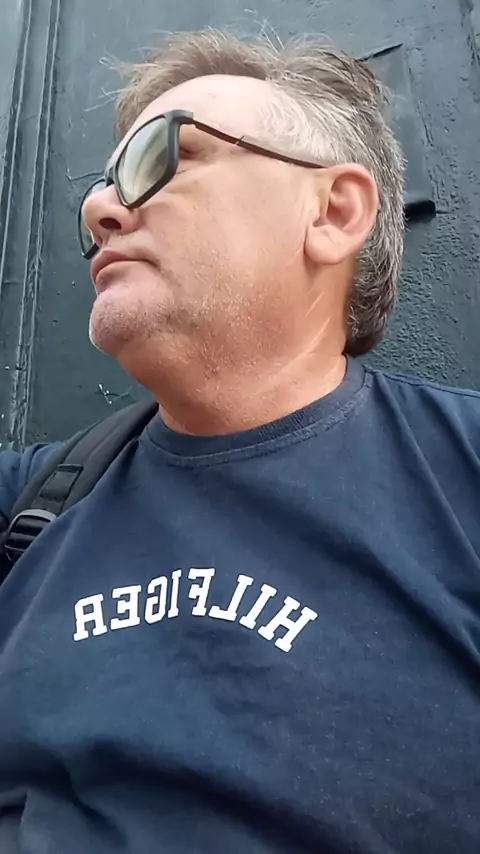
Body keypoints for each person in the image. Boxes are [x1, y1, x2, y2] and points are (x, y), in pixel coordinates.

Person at [0, 27, 479, 854]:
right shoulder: (34, 502)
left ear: (333, 213)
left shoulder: (462, 469)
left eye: (161, 157)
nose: (100, 209)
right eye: (105, 184)